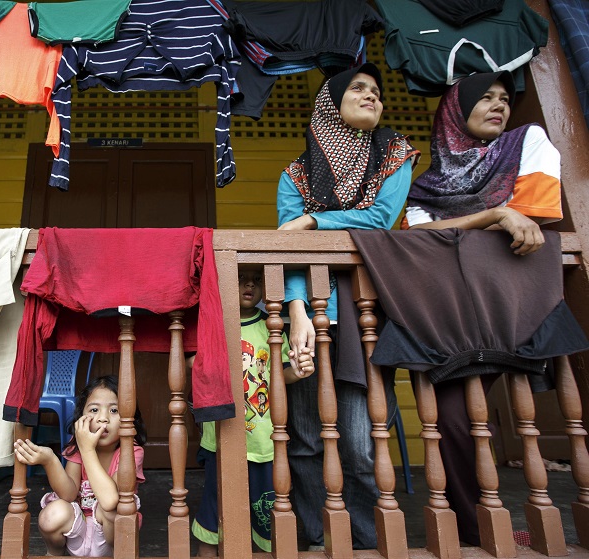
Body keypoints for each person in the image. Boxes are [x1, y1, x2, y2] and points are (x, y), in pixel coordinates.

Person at [404, 70, 563, 545]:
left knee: (478, 413)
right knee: (452, 417)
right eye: (486, 98)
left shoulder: (525, 142)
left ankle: (488, 525)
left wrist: (466, 228)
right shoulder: (426, 184)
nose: (500, 106)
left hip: (510, 298)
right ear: (455, 111)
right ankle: (476, 527)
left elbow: (534, 216)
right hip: (446, 308)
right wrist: (496, 213)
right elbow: (415, 236)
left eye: (505, 98)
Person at [277, 62, 419, 549]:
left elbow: (379, 219)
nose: (372, 96)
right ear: (329, 103)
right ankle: (315, 532)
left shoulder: (395, 154)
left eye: (377, 91)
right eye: (358, 88)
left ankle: (364, 535)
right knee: (306, 437)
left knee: (360, 442)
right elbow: (287, 250)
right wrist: (297, 312)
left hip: (365, 319)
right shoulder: (294, 176)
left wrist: (315, 221)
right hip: (311, 319)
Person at [191, 268, 306, 556]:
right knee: (215, 506)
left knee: (264, 509)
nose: (250, 284)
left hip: (262, 438)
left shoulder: (272, 325)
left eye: (257, 279)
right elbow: (191, 364)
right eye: (241, 278)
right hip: (221, 434)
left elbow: (282, 374)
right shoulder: (212, 324)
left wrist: (299, 371)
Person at [13, 375, 147, 557]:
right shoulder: (77, 446)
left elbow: (109, 501)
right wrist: (50, 460)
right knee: (53, 513)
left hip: (112, 540)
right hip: (79, 531)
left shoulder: (131, 452)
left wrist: (88, 450)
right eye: (93, 410)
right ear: (81, 417)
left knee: (110, 510)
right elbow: (68, 494)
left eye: (114, 410)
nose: (103, 418)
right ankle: (54, 553)